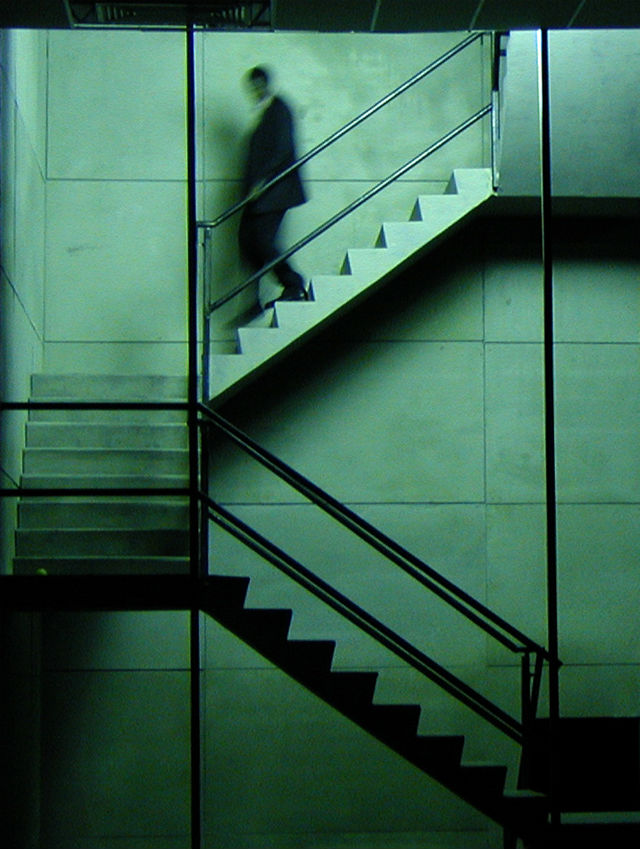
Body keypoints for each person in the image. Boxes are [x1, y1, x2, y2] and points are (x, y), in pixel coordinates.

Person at [238, 66, 308, 309]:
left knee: (262, 241)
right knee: (248, 241)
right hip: (262, 193)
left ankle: (293, 284)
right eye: (252, 87)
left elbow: (282, 149)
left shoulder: (279, 109)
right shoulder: (267, 111)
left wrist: (262, 181)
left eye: (259, 86)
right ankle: (253, 300)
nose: (255, 91)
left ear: (267, 84)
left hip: (273, 191)